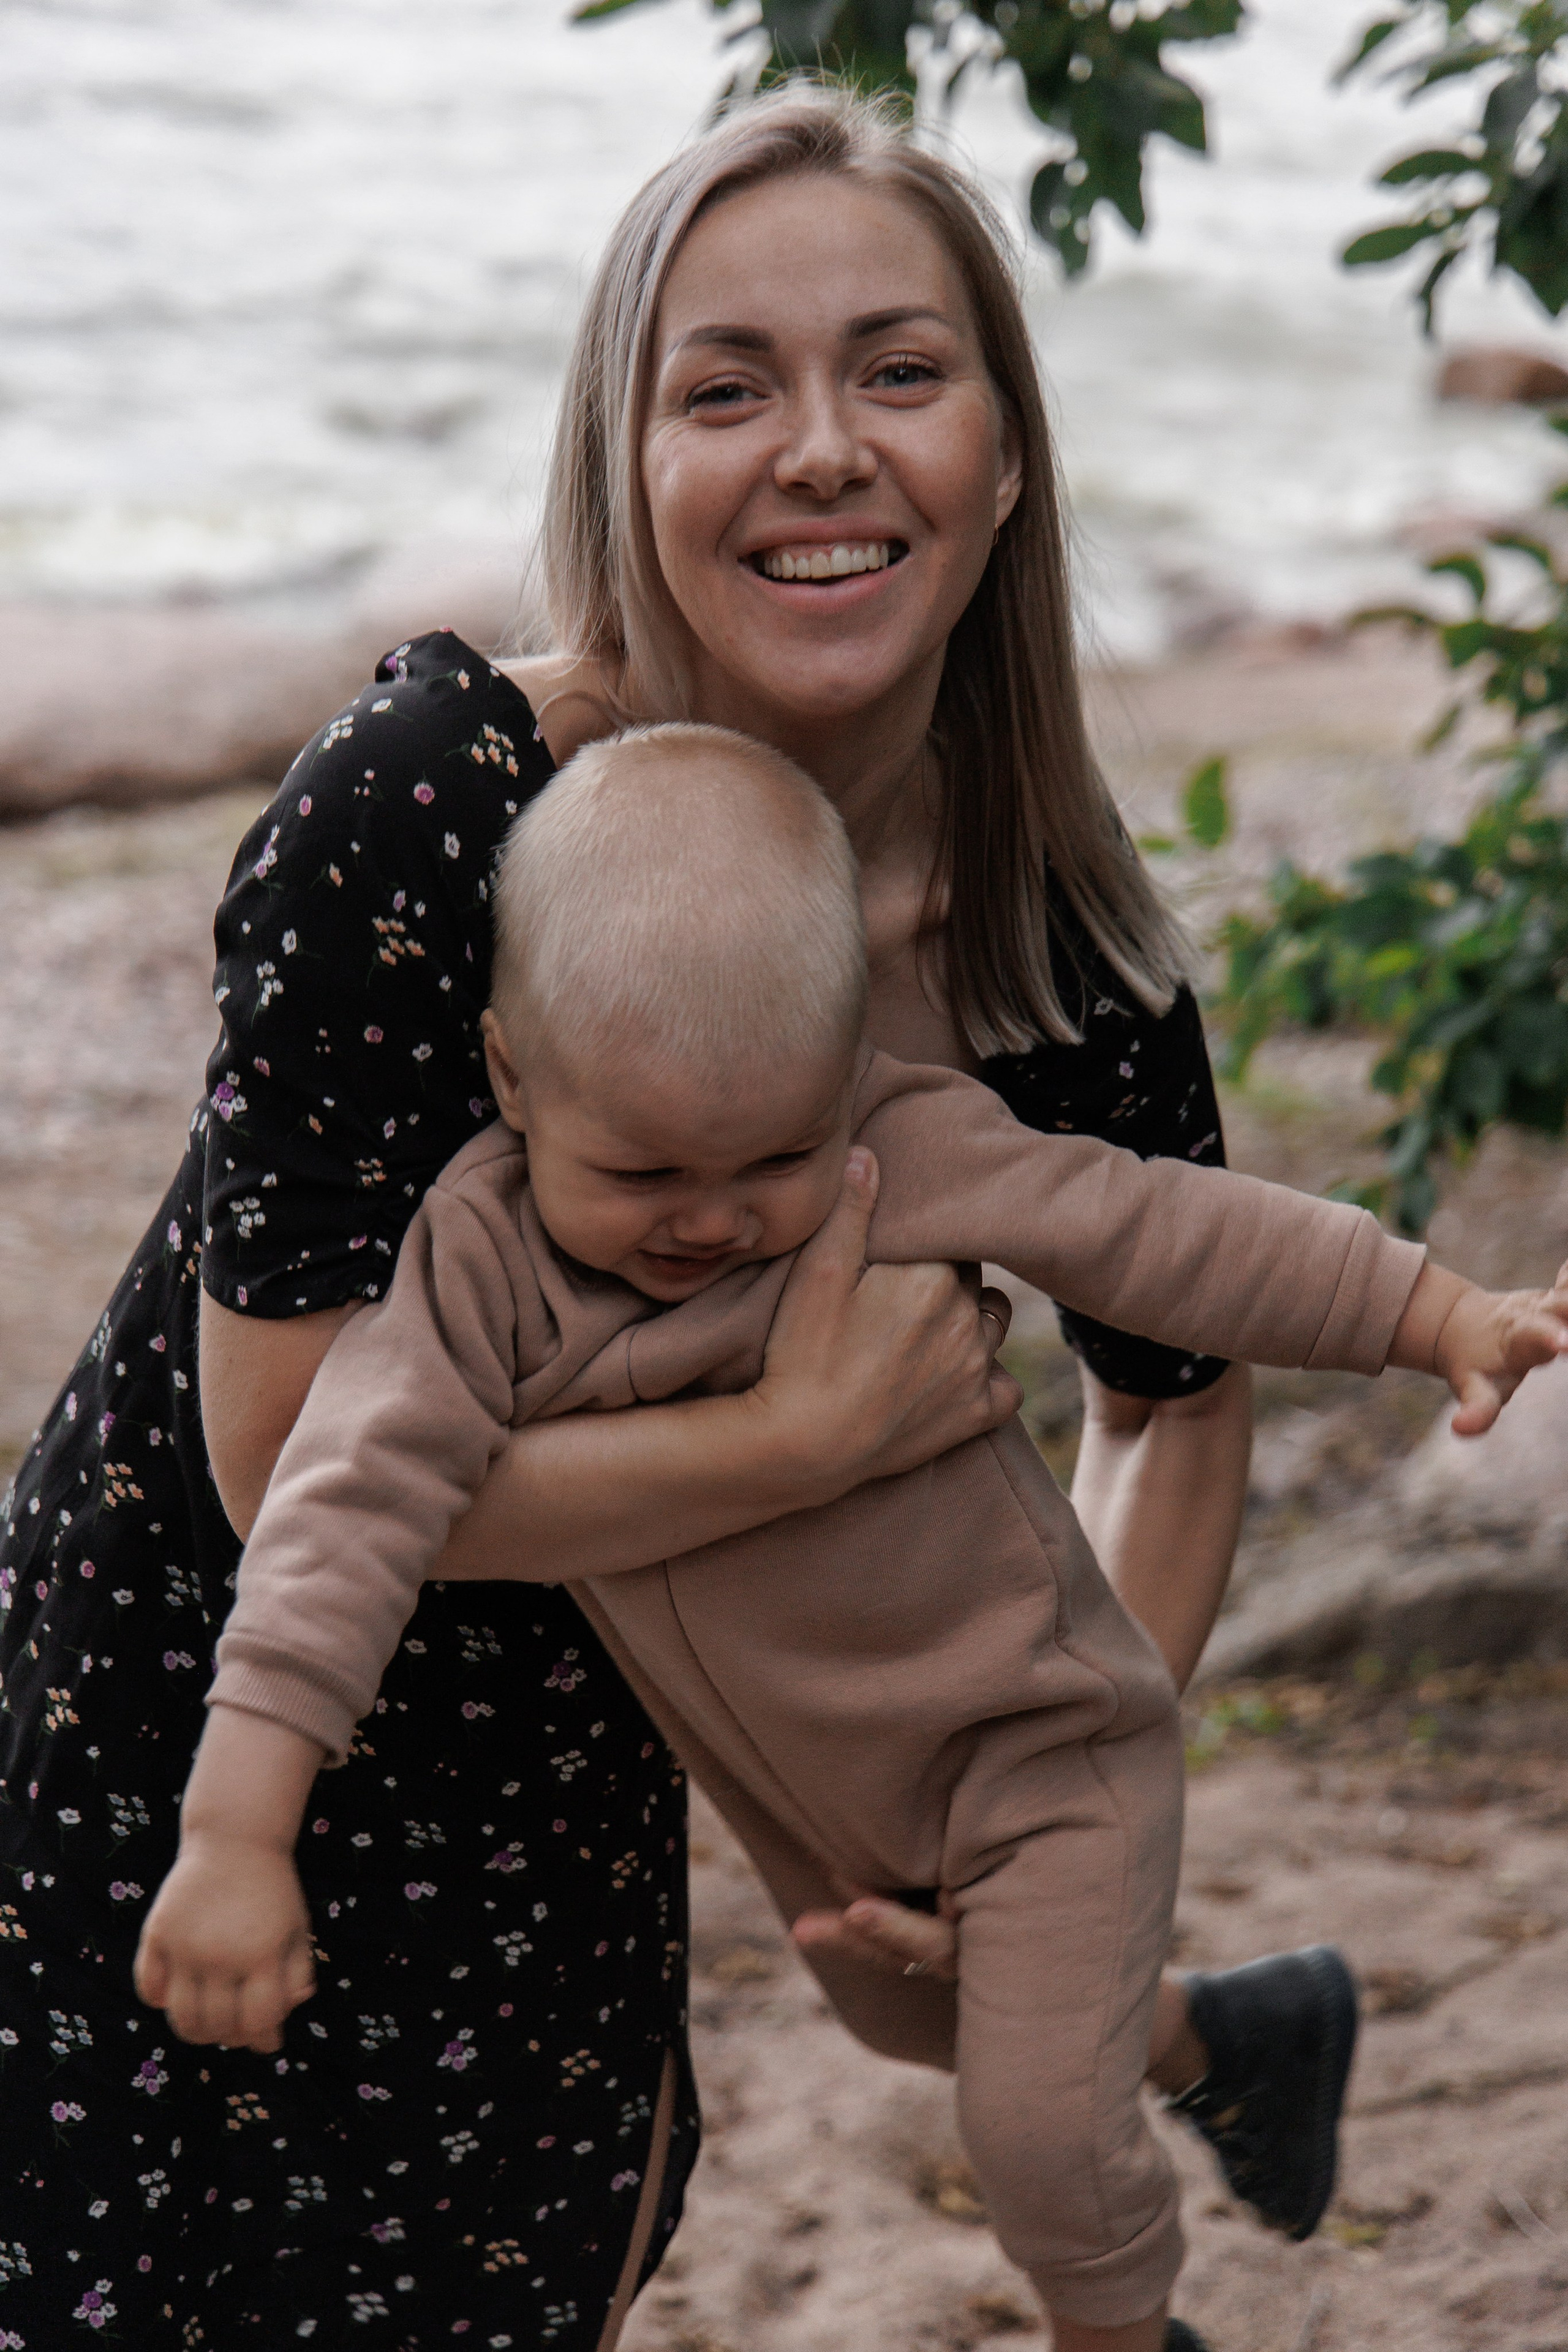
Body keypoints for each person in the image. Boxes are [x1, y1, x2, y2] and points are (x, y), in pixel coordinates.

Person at [0, 78, 1329, 2350]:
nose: (820, 448)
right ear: (624, 470)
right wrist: (796, 1445)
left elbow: (1174, 1404)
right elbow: (277, 1454)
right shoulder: (428, 821)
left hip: (561, 1821)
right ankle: (1242, 2043)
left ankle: (1220, 2040)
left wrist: (1017, 1817)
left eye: (899, 372)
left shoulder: (1051, 952)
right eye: (725, 389)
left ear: (1004, 458)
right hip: (187, 1736)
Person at [136, 723, 1568, 2352]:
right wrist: (237, 1832)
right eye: (645, 1169)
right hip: (820, 1810)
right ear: (515, 1076)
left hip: (1040, 1751)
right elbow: (340, 1516)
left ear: (845, 1081)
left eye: (774, 1160)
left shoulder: (898, 1150)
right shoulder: (477, 1267)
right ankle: (1244, 2042)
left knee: (1034, 2135)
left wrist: (1428, 1307)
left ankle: (1130, 2335)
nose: (713, 1218)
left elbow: (1154, 1227)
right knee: (927, 2022)